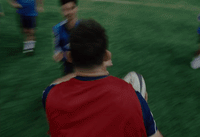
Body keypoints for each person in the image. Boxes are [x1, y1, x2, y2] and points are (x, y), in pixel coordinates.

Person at [43, 19, 163, 137]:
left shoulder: (49, 96)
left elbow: (55, 84)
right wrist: (143, 110)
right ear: (107, 56)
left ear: (69, 57)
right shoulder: (134, 98)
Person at [52, 0, 112, 75]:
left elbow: (97, 49)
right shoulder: (57, 29)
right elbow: (57, 48)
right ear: (61, 11)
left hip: (86, 67)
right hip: (68, 67)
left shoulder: (85, 27)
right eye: (65, 10)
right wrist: (58, 54)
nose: (69, 12)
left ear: (76, 8)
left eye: (71, 8)